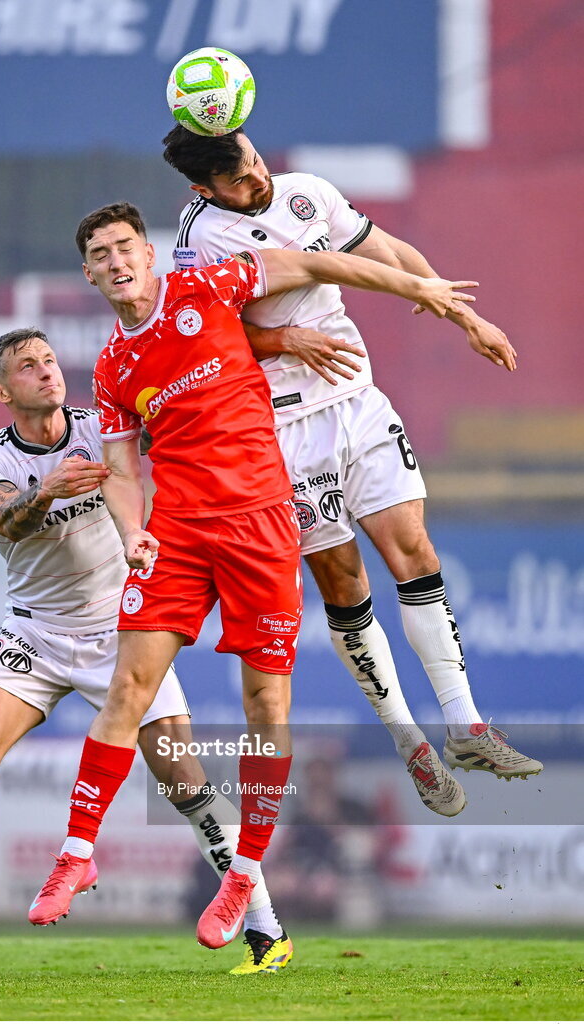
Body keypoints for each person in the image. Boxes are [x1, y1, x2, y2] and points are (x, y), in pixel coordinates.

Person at [26, 200, 479, 950]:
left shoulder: (206, 286)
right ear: (89, 273)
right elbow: (118, 468)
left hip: (261, 526)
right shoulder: (112, 366)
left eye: (123, 248)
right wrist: (133, 533)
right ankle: (75, 854)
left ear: (147, 254)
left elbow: (316, 261)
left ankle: (243, 874)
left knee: (266, 705)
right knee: (127, 689)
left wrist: (417, 289)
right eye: (99, 255)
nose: (114, 262)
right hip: (175, 532)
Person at [162, 125, 543, 817]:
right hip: (280, 427)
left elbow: (387, 255)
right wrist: (281, 337)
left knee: (415, 551)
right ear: (204, 189)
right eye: (240, 181)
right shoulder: (198, 238)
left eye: (253, 163)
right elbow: (196, 331)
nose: (257, 182)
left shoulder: (308, 193)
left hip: (357, 402)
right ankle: (410, 742)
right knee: (343, 582)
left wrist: (464, 317)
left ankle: (465, 726)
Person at [0, 327, 289, 978]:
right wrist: (49, 488)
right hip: (34, 634)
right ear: (2, 391)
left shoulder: (99, 430)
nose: (46, 372)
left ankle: (265, 929)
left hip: (121, 633)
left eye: (49, 360)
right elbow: (4, 519)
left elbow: (167, 452)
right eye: (28, 366)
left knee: (183, 781)